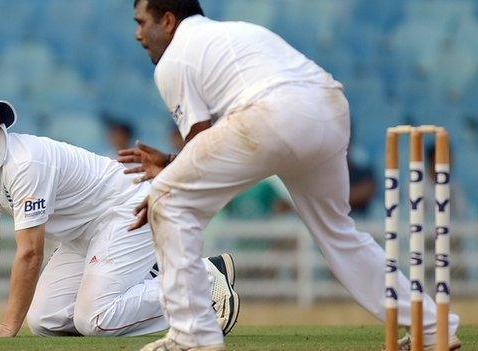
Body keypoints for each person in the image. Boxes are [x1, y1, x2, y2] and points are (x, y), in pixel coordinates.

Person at [122, 1, 461, 350]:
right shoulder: (234, 31)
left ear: (167, 20)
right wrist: (174, 166)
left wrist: (167, 183)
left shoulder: (174, 59)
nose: (137, 34)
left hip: (271, 113)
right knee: (339, 234)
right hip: (329, 109)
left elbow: (199, 141)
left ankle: (192, 336)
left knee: (168, 199)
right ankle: (432, 328)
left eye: (141, 22)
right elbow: (205, 148)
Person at [0, 85, 239, 339]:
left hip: (126, 208)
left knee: (96, 320)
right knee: (45, 321)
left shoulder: (25, 162)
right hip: (82, 233)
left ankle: (203, 280)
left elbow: (30, 253)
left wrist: (5, 327)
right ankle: (144, 277)